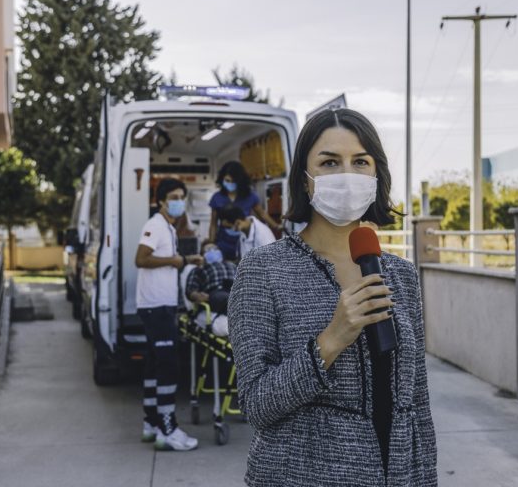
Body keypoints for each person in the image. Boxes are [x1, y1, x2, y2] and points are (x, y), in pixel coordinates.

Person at [228, 108, 437, 486]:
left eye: (360, 161)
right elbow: (257, 405)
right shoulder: (263, 270)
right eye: (329, 162)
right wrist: (330, 341)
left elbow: (417, 405)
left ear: (376, 174)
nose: (347, 174)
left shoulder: (401, 275)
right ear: (306, 181)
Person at [135, 177, 203, 451]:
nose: (178, 202)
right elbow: (141, 259)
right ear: (161, 200)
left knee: (154, 365)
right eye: (173, 197)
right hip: (155, 307)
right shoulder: (155, 226)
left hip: (160, 305)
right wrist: (179, 261)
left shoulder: (168, 227)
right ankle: (169, 427)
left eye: (180, 197)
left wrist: (183, 261)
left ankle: (151, 423)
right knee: (168, 366)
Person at [208, 161, 280, 261]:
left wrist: (276, 226)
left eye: (232, 182)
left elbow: (262, 214)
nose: (229, 184)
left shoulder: (250, 196)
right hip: (224, 242)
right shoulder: (217, 197)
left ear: (239, 181)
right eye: (227, 181)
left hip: (245, 240)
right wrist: (211, 243)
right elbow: (213, 224)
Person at [185, 241, 237, 336]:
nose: (213, 251)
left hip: (234, 292)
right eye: (209, 250)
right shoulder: (199, 270)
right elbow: (190, 290)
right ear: (202, 255)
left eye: (215, 249)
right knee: (227, 299)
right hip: (216, 294)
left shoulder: (233, 266)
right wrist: (197, 296)